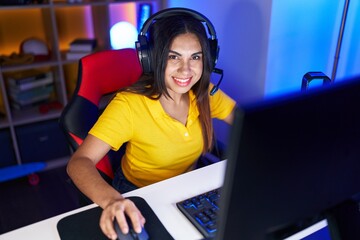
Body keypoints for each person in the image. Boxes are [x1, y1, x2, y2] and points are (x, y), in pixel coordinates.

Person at [66, 8, 236, 240]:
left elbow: (247, 121)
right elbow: (79, 163)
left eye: (195, 57)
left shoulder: (204, 93)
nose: (186, 70)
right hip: (140, 194)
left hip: (188, 187)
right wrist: (112, 200)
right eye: (173, 57)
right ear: (153, 58)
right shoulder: (129, 105)